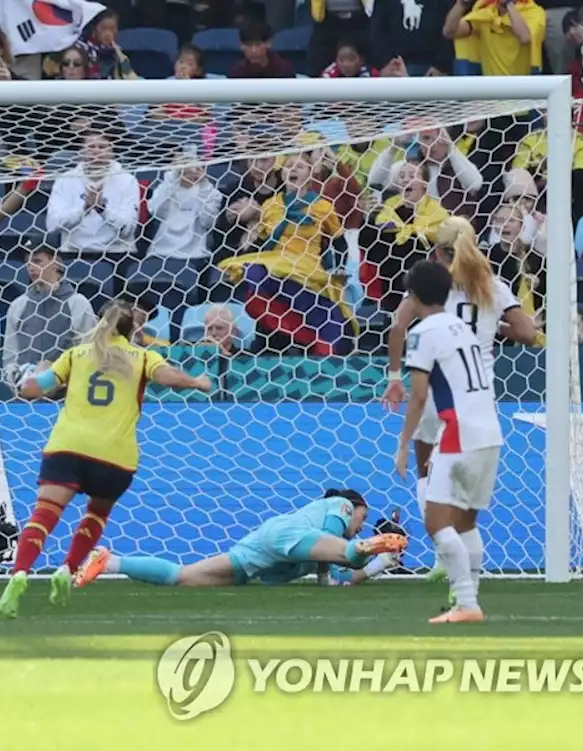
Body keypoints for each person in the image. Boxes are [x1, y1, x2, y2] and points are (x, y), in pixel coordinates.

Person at [0, 300, 214, 619]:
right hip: (115, 456)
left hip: (68, 447)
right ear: (133, 329)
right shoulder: (142, 356)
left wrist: (30, 377)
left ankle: (20, 572)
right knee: (96, 513)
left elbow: (34, 389)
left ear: (98, 324)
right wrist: (196, 382)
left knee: (45, 513)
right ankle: (68, 570)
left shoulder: (76, 355)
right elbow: (167, 377)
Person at [381, 217, 537, 600]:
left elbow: (399, 324)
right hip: (478, 393)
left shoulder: (435, 287)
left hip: (435, 388)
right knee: (466, 500)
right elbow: (527, 333)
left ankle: (441, 555)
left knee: (424, 473)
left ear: (436, 251)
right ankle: (466, 581)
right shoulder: (492, 286)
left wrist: (395, 375)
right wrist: (495, 329)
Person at [394, 260, 504, 623]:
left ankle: (467, 604)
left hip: (458, 432)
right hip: (489, 431)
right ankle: (467, 603)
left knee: (436, 521)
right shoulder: (462, 327)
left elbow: (419, 396)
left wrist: (403, 443)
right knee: (466, 523)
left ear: (412, 296)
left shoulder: (424, 333)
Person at [75, 489, 408, 588]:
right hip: (285, 536)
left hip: (260, 551)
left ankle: (108, 561)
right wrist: (365, 551)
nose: (362, 522)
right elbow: (343, 556)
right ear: (357, 507)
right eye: (365, 518)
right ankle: (378, 546)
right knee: (352, 550)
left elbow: (336, 580)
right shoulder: (342, 505)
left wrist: (381, 565)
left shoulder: (326, 541)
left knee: (182, 577)